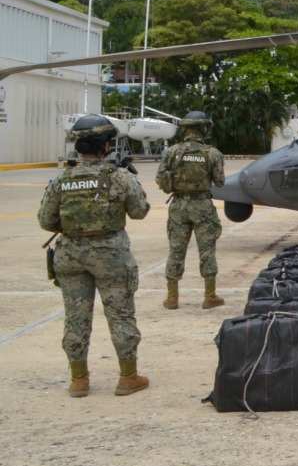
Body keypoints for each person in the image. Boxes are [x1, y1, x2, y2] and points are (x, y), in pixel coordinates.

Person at [37, 114, 151, 397]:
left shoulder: (61, 179)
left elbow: (46, 220)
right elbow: (139, 211)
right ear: (107, 146)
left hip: (71, 256)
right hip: (111, 255)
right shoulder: (119, 176)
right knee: (121, 314)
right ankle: (128, 377)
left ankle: (79, 380)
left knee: (76, 317)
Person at [156, 110, 226, 309]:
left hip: (178, 206)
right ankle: (210, 296)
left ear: (185, 129)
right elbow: (220, 182)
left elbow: (161, 179)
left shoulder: (171, 152)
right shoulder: (212, 153)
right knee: (207, 251)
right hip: (202, 206)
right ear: (204, 128)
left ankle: (172, 298)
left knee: (176, 250)